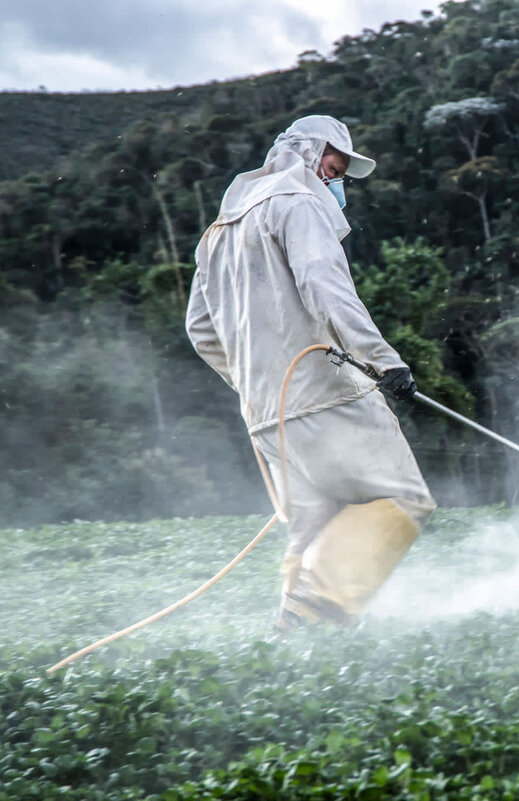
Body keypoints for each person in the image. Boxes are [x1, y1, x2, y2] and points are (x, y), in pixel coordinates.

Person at [186, 115, 436, 631]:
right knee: (402, 498)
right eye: (334, 166)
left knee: (314, 523)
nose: (337, 181)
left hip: (265, 413)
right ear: (307, 153)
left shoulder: (219, 231)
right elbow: (326, 288)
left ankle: (295, 640)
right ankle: (317, 618)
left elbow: (200, 330)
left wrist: (258, 380)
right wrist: (383, 360)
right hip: (324, 393)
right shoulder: (297, 205)